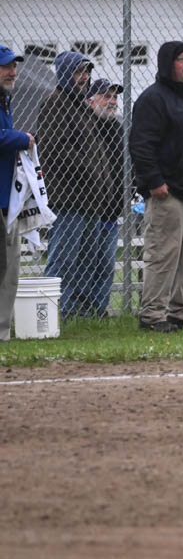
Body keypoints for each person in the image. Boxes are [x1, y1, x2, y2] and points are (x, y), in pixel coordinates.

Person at [129, 42, 183, 332]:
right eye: (182, 59)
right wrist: (154, 182)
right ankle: (153, 315)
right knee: (163, 254)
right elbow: (141, 144)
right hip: (168, 192)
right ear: (168, 63)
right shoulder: (153, 99)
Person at [38, 53, 125, 319]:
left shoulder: (80, 107)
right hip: (69, 199)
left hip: (90, 200)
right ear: (65, 73)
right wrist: (90, 169)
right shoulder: (56, 103)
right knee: (64, 260)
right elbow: (53, 148)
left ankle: (79, 314)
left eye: (87, 72)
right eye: (78, 72)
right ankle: (53, 315)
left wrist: (100, 179)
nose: (84, 77)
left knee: (86, 262)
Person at [0, 44, 36, 340]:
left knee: (10, 270)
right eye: (6, 66)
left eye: (14, 66)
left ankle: (2, 331)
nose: (13, 72)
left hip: (7, 200)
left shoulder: (5, 99)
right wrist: (21, 138)